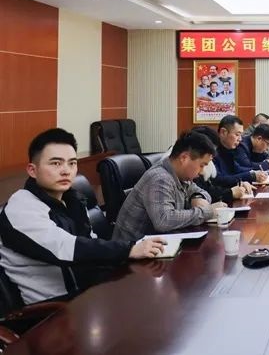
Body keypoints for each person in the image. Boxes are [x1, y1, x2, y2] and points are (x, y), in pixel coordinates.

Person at [0, 128, 165, 305]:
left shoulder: (72, 200)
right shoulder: (21, 207)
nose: (66, 171)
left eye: (72, 163)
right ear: (32, 170)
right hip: (52, 308)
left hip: (88, 293)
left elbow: (90, 241)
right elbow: (65, 248)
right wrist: (129, 249)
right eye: (56, 163)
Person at [113, 131, 227, 241]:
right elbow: (164, 221)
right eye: (202, 165)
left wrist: (197, 197)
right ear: (184, 158)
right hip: (131, 249)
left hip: (158, 243)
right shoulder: (160, 178)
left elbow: (202, 192)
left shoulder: (180, 175)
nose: (202, 172)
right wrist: (207, 212)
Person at [213, 115, 269, 186]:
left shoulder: (228, 150)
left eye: (241, 135)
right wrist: (250, 175)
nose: (240, 139)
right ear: (223, 132)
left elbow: (236, 169)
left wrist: (254, 172)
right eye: (237, 135)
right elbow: (219, 180)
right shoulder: (211, 152)